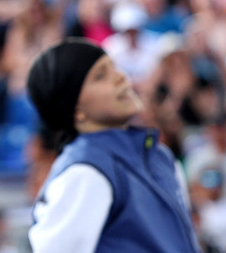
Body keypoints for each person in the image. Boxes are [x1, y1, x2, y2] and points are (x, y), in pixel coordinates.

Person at [26, 38, 199, 252]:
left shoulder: (160, 155)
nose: (120, 77)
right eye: (100, 76)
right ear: (75, 108)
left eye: (113, 67)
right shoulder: (85, 172)